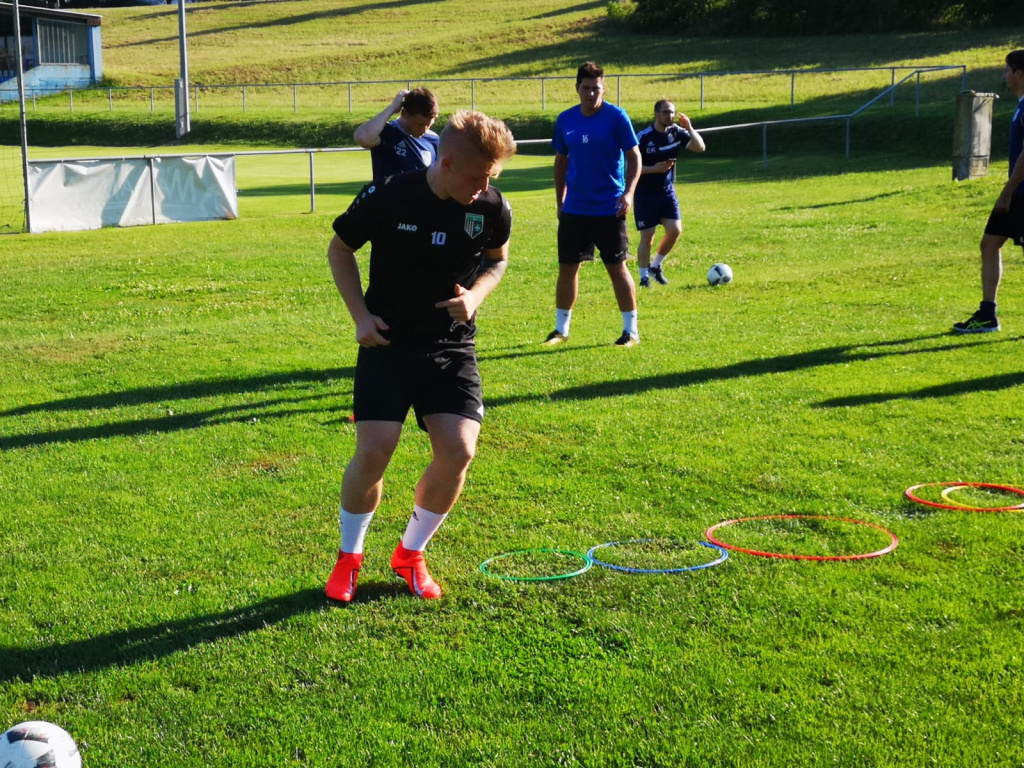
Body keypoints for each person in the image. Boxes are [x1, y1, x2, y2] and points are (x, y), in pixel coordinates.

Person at [325, 110, 517, 602]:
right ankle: (349, 558)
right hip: (387, 343)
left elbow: (497, 262)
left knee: (459, 450)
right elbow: (340, 250)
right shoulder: (390, 194)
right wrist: (361, 318)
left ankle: (410, 554)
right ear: (446, 164)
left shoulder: (491, 206)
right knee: (375, 451)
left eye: (491, 177)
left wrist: (475, 296)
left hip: (450, 346)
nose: (484, 187)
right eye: (477, 177)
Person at [543, 61, 642, 348]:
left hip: (609, 207)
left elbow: (634, 156)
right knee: (567, 268)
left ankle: (631, 332)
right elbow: (561, 161)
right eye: (585, 88)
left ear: (604, 88)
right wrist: (560, 200)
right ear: (577, 88)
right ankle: (561, 330)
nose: (590, 94)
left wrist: (628, 193)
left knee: (617, 268)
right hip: (575, 208)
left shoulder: (617, 117)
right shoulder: (565, 120)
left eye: (596, 89)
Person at [953, 50, 1024, 334]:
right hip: (1016, 194)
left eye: (1007, 70)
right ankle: (987, 315)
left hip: (1020, 194)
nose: (1004, 76)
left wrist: (1007, 192)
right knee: (989, 244)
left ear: (1019, 73)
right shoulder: (1021, 105)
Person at [634, 99, 705, 288]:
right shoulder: (643, 137)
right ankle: (643, 278)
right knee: (648, 236)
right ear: (656, 114)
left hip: (666, 192)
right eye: (665, 112)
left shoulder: (676, 132)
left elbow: (700, 147)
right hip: (645, 193)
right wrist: (654, 169)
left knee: (675, 230)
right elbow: (629, 168)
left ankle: (655, 266)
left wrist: (689, 128)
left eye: (672, 112)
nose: (670, 116)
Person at [353, 88, 440, 180]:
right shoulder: (387, 132)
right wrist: (393, 107)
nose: (424, 130)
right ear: (404, 113)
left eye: (428, 125)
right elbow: (362, 138)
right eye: (419, 124)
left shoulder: (434, 140)